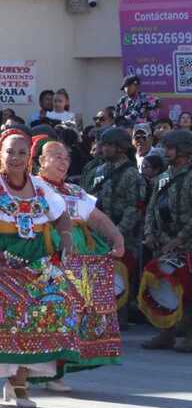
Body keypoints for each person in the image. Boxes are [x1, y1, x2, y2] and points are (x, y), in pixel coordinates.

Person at [0, 129, 80, 408]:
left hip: (34, 256)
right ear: (0, 154)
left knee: (34, 318)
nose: (16, 157)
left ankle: (18, 383)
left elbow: (62, 218)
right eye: (10, 151)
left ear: (30, 157)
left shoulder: (40, 186)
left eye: (22, 152)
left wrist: (66, 237)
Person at [31, 138, 125, 390]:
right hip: (46, 258)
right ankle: (23, 375)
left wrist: (117, 237)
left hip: (78, 265)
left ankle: (56, 371)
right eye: (57, 157)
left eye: (66, 158)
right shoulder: (31, 187)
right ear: (41, 161)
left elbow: (97, 218)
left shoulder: (74, 191)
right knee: (43, 314)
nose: (63, 162)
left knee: (71, 317)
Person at [85, 127, 146, 327]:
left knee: (120, 277)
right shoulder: (98, 171)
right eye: (103, 144)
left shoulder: (131, 175)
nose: (104, 148)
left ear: (121, 148)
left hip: (123, 235)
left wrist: (117, 232)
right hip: (96, 234)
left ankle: (120, 318)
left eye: (109, 145)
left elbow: (134, 207)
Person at [138, 129, 192, 352]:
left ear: (184, 150)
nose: (166, 151)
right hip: (163, 242)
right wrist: (150, 233)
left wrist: (179, 239)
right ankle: (166, 333)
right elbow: (150, 209)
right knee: (164, 287)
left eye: (171, 148)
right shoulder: (162, 178)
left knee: (188, 290)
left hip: (186, 243)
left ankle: (189, 334)